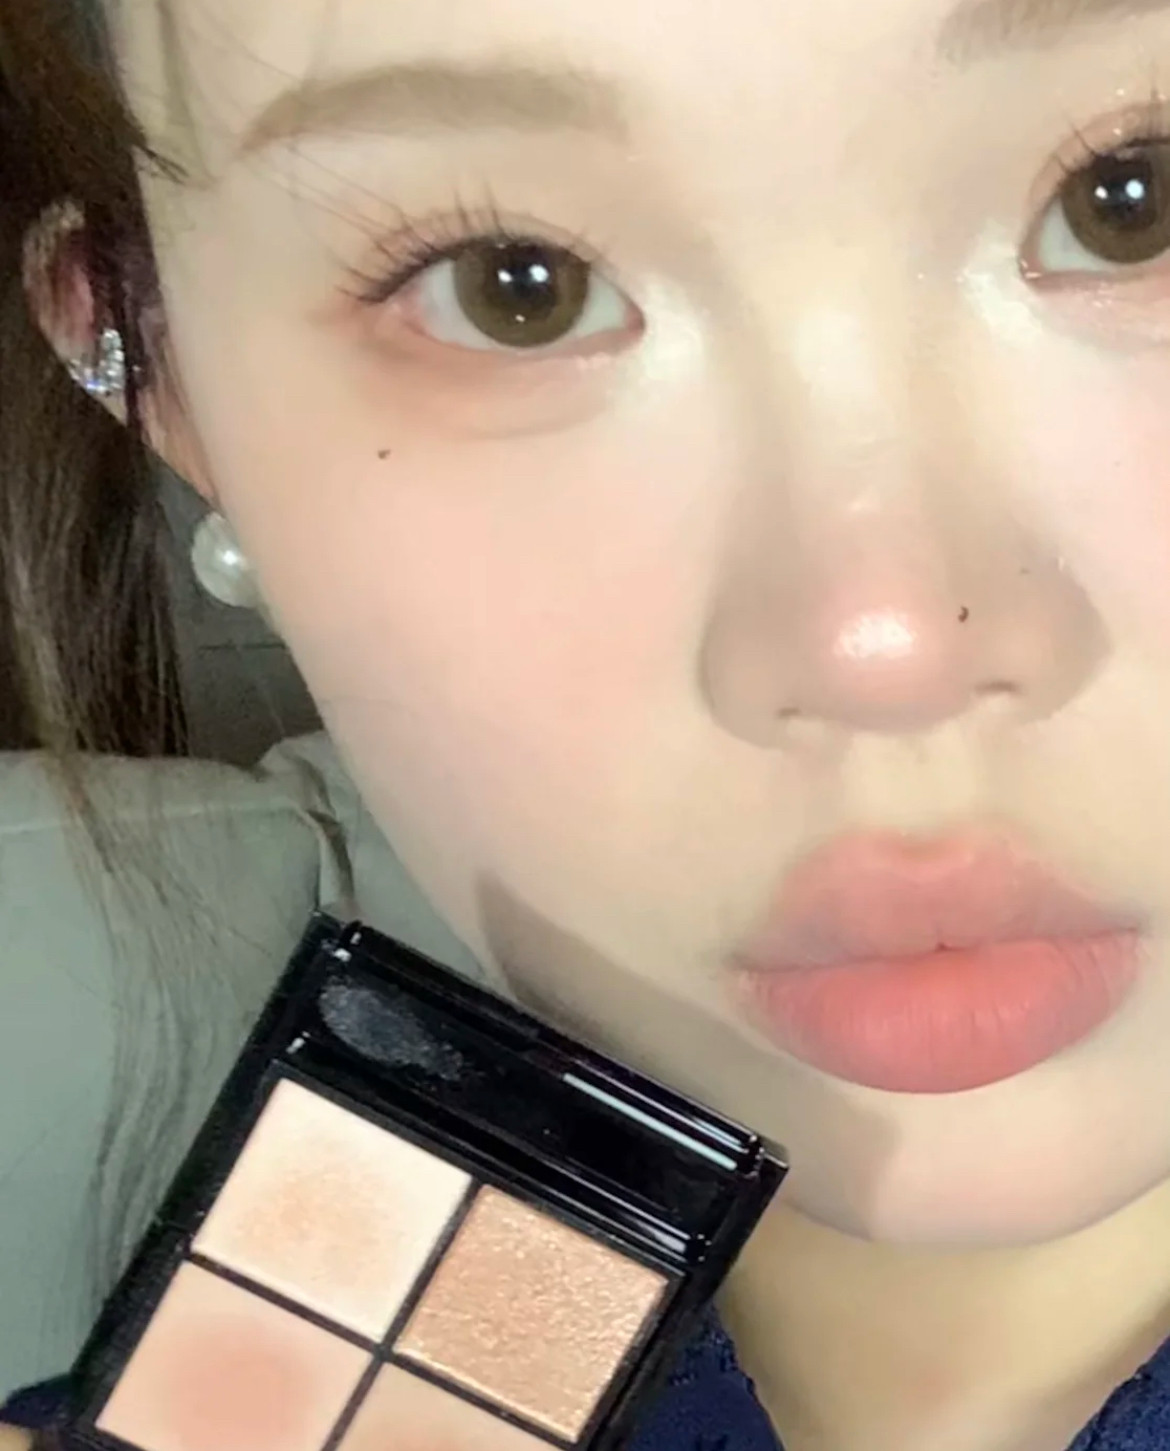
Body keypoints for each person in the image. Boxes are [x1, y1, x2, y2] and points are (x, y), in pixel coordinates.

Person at [7, 0, 1170, 1446]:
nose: (883, 646)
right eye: (518, 289)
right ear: (157, 379)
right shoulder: (288, 1375)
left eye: (1132, 201)